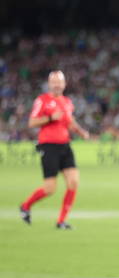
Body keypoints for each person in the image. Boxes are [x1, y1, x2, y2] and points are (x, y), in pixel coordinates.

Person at [19, 71, 89, 229]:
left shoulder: (67, 101)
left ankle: (61, 221)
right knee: (50, 188)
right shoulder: (42, 100)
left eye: (59, 82)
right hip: (49, 146)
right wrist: (50, 118)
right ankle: (25, 206)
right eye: (54, 82)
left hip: (65, 145)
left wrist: (81, 131)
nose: (57, 85)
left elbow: (70, 120)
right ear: (49, 84)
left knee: (73, 182)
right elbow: (32, 122)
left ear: (64, 84)